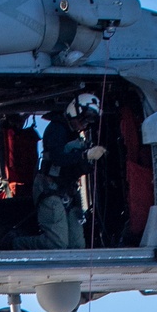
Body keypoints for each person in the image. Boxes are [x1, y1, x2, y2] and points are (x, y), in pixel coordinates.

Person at [18, 94, 106, 250]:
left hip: (68, 191)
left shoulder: (75, 135)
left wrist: (87, 162)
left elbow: (73, 166)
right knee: (57, 244)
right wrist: (84, 155)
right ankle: (15, 244)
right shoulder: (56, 129)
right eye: (82, 120)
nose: (83, 125)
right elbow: (58, 157)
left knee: (77, 245)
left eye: (87, 122)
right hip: (50, 188)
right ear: (74, 112)